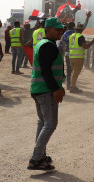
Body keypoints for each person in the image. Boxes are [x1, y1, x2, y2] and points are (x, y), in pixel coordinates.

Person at [28, 17, 66, 171]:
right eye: (57, 29)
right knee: (50, 124)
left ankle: (41, 156)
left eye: (61, 28)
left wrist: (59, 86)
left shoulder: (43, 44)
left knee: (42, 122)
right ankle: (36, 158)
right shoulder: (48, 46)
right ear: (47, 30)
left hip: (38, 89)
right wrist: (56, 88)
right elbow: (46, 70)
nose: (60, 31)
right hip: (46, 90)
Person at [68, 17, 94, 93]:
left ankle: (72, 86)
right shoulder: (80, 37)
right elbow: (86, 47)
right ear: (81, 30)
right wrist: (93, 41)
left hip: (71, 57)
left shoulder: (72, 36)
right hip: (78, 57)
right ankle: (72, 87)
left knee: (73, 72)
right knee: (75, 73)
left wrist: (87, 17)